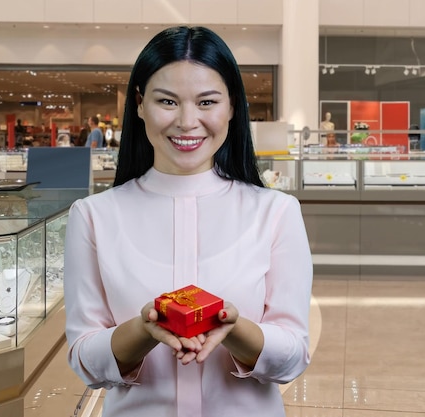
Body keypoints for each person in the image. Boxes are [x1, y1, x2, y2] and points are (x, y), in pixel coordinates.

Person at [63, 26, 313, 417]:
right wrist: (142, 330)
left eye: (207, 102)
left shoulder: (276, 212)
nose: (187, 121)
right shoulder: (94, 216)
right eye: (168, 101)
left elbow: (294, 357)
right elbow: (84, 361)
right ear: (140, 105)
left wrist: (237, 329)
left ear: (232, 107)